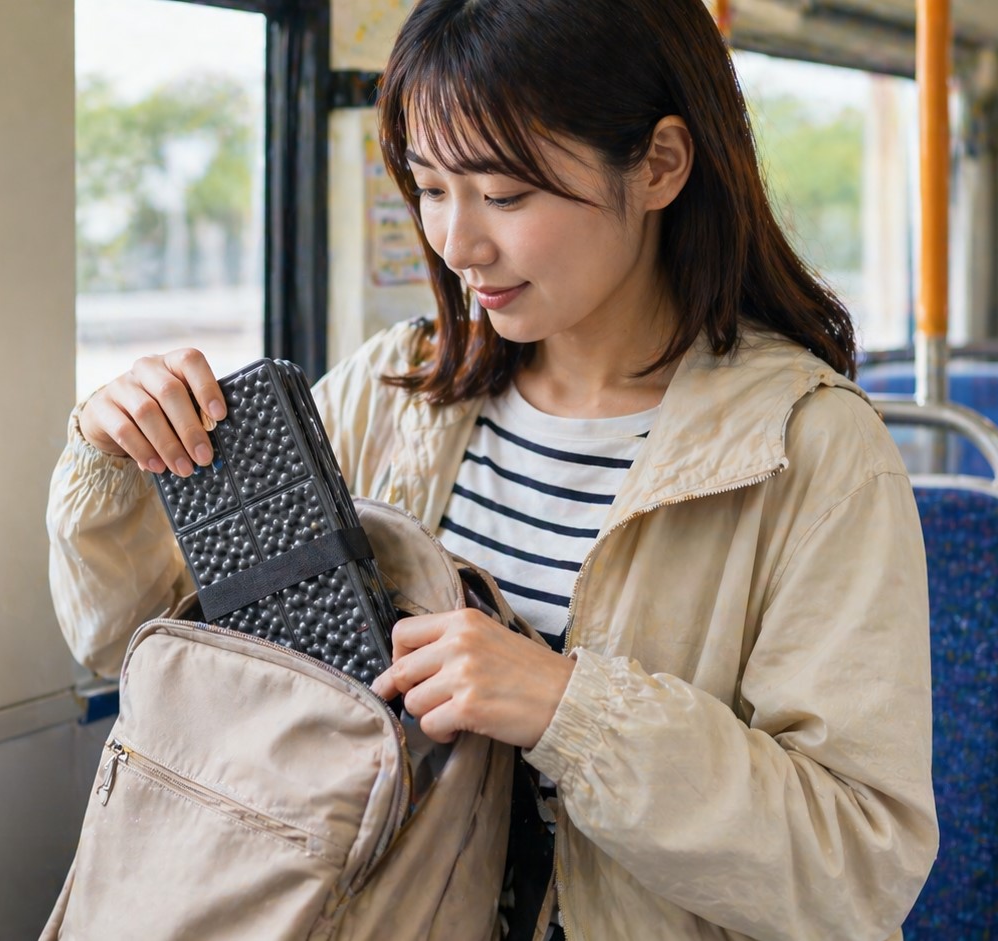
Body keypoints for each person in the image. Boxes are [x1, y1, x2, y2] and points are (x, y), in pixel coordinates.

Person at [46, 0, 937, 937]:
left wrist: (566, 708)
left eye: (505, 195)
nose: (457, 243)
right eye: (430, 188)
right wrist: (116, 467)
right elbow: (132, 645)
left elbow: (859, 865)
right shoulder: (395, 395)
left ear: (660, 165)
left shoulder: (809, 451)